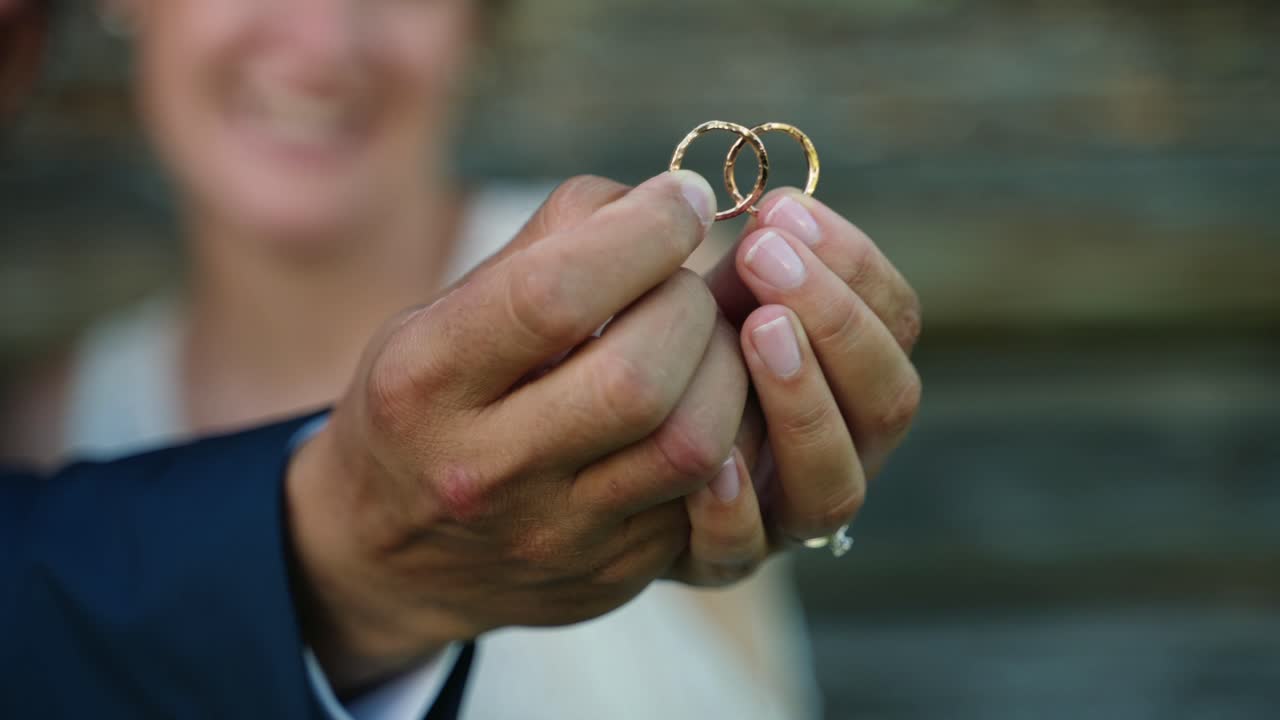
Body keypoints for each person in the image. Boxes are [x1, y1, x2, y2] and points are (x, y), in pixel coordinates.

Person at [1, 1, 925, 718]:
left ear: (478, 21)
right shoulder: (41, 435)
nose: (325, 42)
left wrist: (796, 494)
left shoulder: (671, 321)